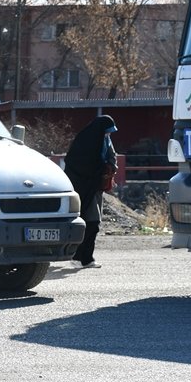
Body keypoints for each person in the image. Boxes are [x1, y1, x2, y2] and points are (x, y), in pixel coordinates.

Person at [64, 114, 118, 269]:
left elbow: (111, 157)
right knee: (91, 223)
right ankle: (81, 257)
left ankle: (84, 257)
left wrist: (110, 168)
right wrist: (100, 169)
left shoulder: (104, 139)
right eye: (107, 131)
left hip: (95, 187)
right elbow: (79, 164)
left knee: (93, 223)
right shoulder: (85, 141)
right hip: (82, 187)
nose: (109, 135)